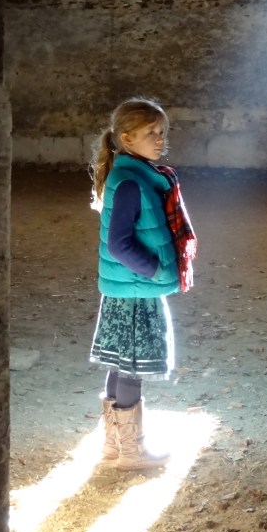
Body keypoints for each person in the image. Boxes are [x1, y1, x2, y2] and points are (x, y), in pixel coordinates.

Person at [88, 97, 197, 470]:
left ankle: (115, 447)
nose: (160, 139)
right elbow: (119, 244)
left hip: (126, 290)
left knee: (120, 365)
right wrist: (154, 271)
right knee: (131, 367)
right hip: (135, 291)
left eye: (162, 132)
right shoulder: (131, 182)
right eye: (150, 132)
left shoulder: (135, 175)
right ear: (126, 138)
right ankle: (132, 453)